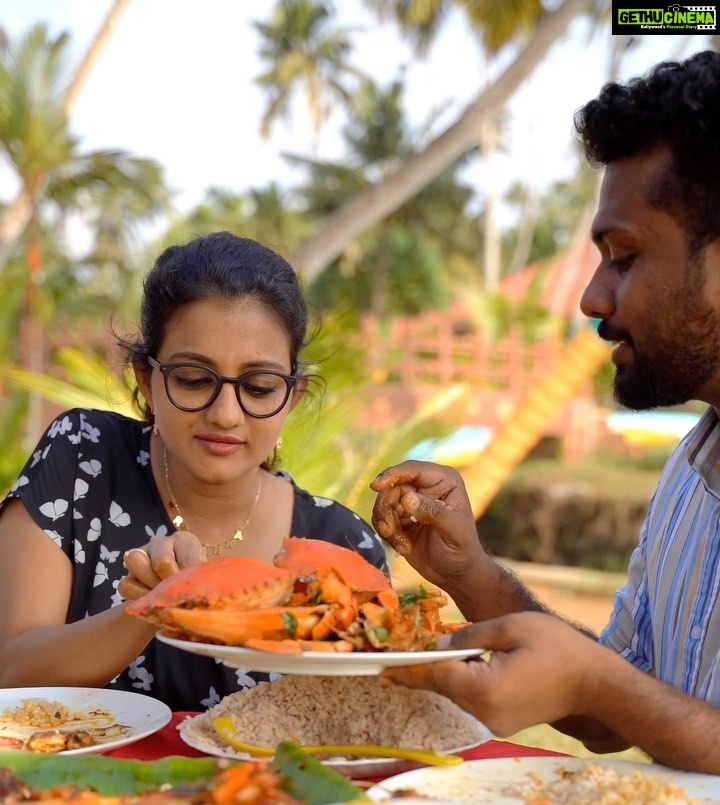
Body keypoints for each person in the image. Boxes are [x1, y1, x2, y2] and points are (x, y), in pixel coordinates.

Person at [370, 50, 720, 768]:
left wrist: (602, 684)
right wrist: (471, 575)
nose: (593, 299)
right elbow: (628, 706)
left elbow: (616, 693)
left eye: (623, 256)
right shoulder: (691, 471)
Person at [0, 231, 386, 711]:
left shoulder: (342, 544)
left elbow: (363, 725)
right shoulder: (84, 459)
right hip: (68, 785)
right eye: (193, 379)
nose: (226, 413)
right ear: (146, 378)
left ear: (293, 395)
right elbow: (9, 669)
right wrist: (149, 610)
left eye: (260, 387)